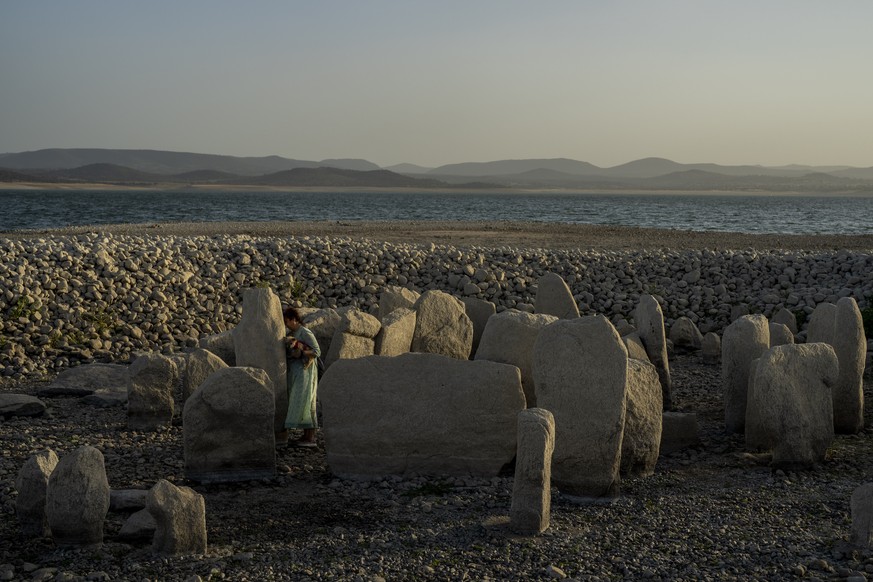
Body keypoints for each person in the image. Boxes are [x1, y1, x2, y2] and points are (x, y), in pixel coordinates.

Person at [282, 306, 321, 448]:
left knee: (307, 400)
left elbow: (316, 351)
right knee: (300, 401)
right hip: (297, 372)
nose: (286, 324)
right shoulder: (293, 333)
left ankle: (310, 437)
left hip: (306, 371)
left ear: (294, 319)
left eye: (287, 321)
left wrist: (300, 351)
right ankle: (305, 435)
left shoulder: (304, 332)